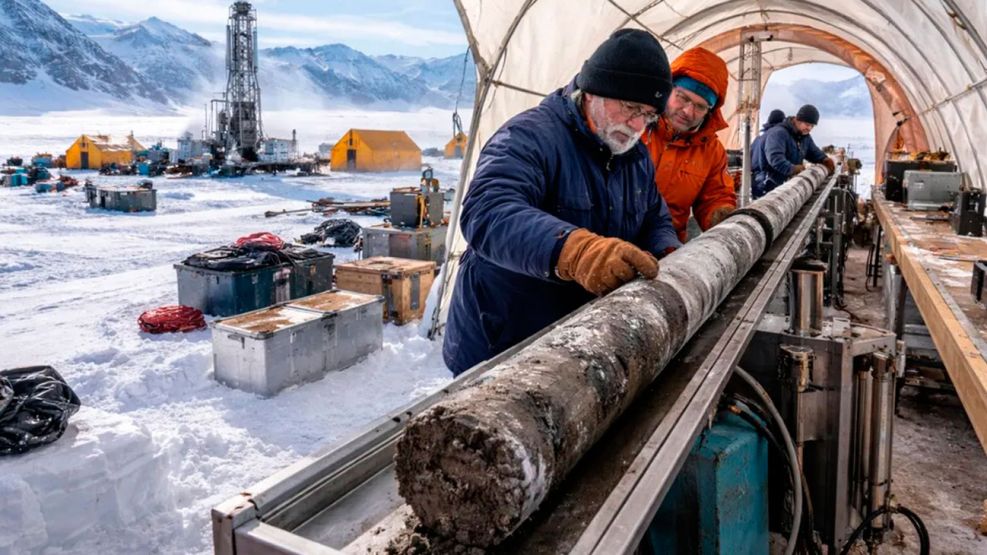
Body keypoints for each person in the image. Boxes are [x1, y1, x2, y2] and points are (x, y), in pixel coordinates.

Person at [442, 29, 681, 376]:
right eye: (630, 107)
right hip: (504, 337)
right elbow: (488, 210)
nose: (636, 125)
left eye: (648, 115)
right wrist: (575, 251)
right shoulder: (530, 136)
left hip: (571, 338)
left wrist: (669, 251)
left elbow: (653, 217)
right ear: (594, 90)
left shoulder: (634, 156)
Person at [643, 47, 736, 243]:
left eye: (700, 106)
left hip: (666, 251)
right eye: (682, 97)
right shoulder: (636, 124)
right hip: (612, 247)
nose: (688, 111)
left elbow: (715, 195)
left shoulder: (711, 151)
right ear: (669, 89)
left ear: (710, 111)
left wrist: (720, 215)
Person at [754, 104, 835, 197]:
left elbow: (813, 152)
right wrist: (793, 169)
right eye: (807, 124)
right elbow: (776, 159)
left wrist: (824, 159)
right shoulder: (779, 133)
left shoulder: (804, 137)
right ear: (797, 120)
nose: (809, 128)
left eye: (812, 126)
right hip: (768, 184)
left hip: (787, 183)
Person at [750, 109, 785, 198]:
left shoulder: (758, 138)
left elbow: (750, 159)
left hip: (755, 181)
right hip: (769, 182)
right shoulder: (776, 137)